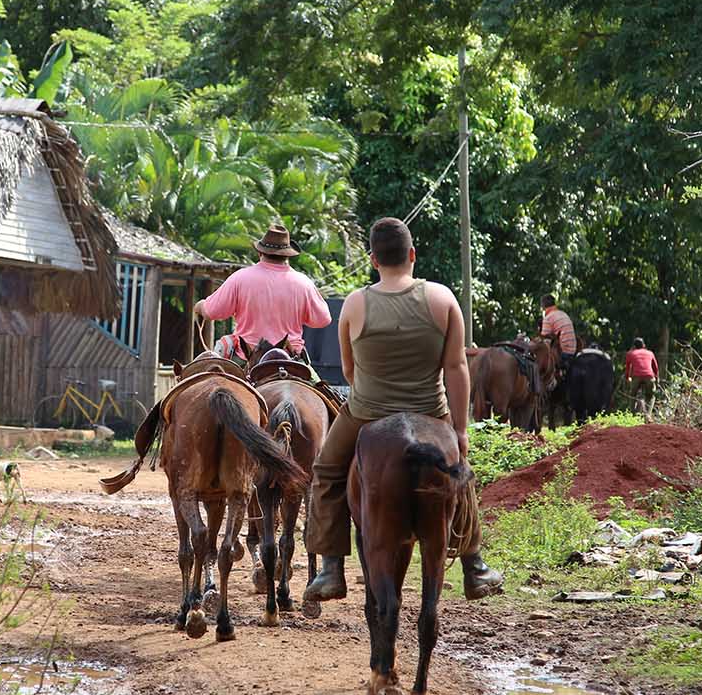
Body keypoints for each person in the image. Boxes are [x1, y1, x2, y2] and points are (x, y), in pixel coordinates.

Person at [302, 217, 504, 604]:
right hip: (431, 411)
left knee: (326, 472)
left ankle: (331, 568)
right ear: (412, 255)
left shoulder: (355, 304)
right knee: (461, 474)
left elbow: (349, 370)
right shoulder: (443, 299)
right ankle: (473, 565)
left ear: (373, 260)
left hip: (366, 411)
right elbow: (457, 368)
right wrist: (459, 430)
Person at [193, 221, 331, 362]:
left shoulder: (240, 278)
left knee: (215, 379)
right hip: (291, 358)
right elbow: (323, 320)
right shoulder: (303, 283)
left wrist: (200, 306)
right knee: (317, 383)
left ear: (260, 252)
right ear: (287, 256)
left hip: (247, 358)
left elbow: (211, 312)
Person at [624, 337, 658, 415]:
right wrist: (656, 378)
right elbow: (655, 368)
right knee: (651, 396)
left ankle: (632, 414)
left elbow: (627, 368)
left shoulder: (630, 353)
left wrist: (627, 378)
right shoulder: (650, 353)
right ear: (644, 345)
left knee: (633, 394)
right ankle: (648, 414)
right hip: (649, 376)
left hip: (636, 377)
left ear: (634, 346)